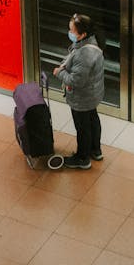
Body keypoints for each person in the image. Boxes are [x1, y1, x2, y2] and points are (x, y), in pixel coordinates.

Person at [53, 13, 105, 169]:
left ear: (82, 34)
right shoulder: (90, 42)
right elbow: (73, 58)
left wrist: (59, 73)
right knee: (92, 121)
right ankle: (95, 150)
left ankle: (83, 159)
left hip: (82, 97)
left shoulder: (85, 54)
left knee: (83, 128)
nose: (70, 33)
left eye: (72, 31)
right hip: (92, 94)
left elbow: (77, 81)